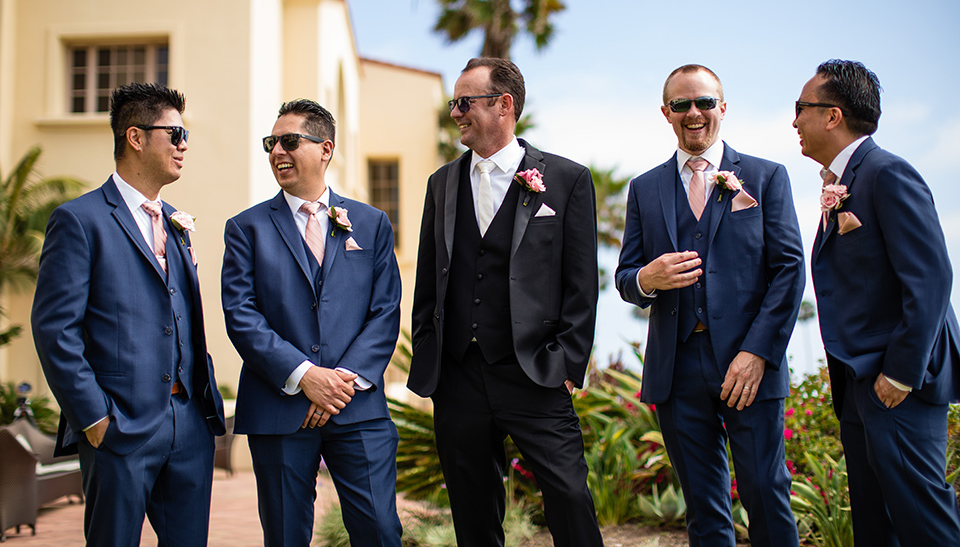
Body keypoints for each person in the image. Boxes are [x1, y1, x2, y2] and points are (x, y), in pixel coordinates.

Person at [407, 57, 604, 547]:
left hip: (535, 371)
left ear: (504, 105)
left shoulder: (566, 179)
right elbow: (429, 279)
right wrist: (432, 349)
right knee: (473, 514)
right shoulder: (441, 183)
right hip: (458, 376)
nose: (454, 113)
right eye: (453, 103)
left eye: (464, 102)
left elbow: (582, 284)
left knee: (570, 497)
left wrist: (566, 361)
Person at [615, 65, 804, 547]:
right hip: (676, 366)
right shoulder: (645, 188)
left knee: (765, 492)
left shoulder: (765, 177)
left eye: (703, 102)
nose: (693, 113)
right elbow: (625, 277)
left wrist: (758, 353)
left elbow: (788, 271)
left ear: (723, 107)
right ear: (666, 113)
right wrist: (646, 278)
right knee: (703, 505)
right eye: (681, 105)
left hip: (750, 362)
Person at [31, 82, 225, 546]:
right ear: (135, 137)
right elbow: (55, 328)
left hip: (189, 423)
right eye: (174, 134)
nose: (183, 146)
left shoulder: (177, 221)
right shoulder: (80, 220)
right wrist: (94, 417)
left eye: (185, 136)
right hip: (120, 426)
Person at [221, 99, 403, 547]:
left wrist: (338, 382)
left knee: (380, 530)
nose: (277, 152)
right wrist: (304, 376)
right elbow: (241, 313)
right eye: (271, 143)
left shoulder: (371, 223)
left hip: (355, 407)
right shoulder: (246, 227)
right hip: (279, 408)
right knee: (285, 537)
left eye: (288, 141)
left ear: (325, 149)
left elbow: (385, 311)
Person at [794, 59, 960, 546]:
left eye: (801, 108)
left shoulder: (887, 173)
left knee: (922, 520)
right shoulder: (845, 181)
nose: (794, 120)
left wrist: (901, 373)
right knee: (875, 522)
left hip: (898, 384)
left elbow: (930, 277)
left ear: (832, 116)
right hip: (860, 382)